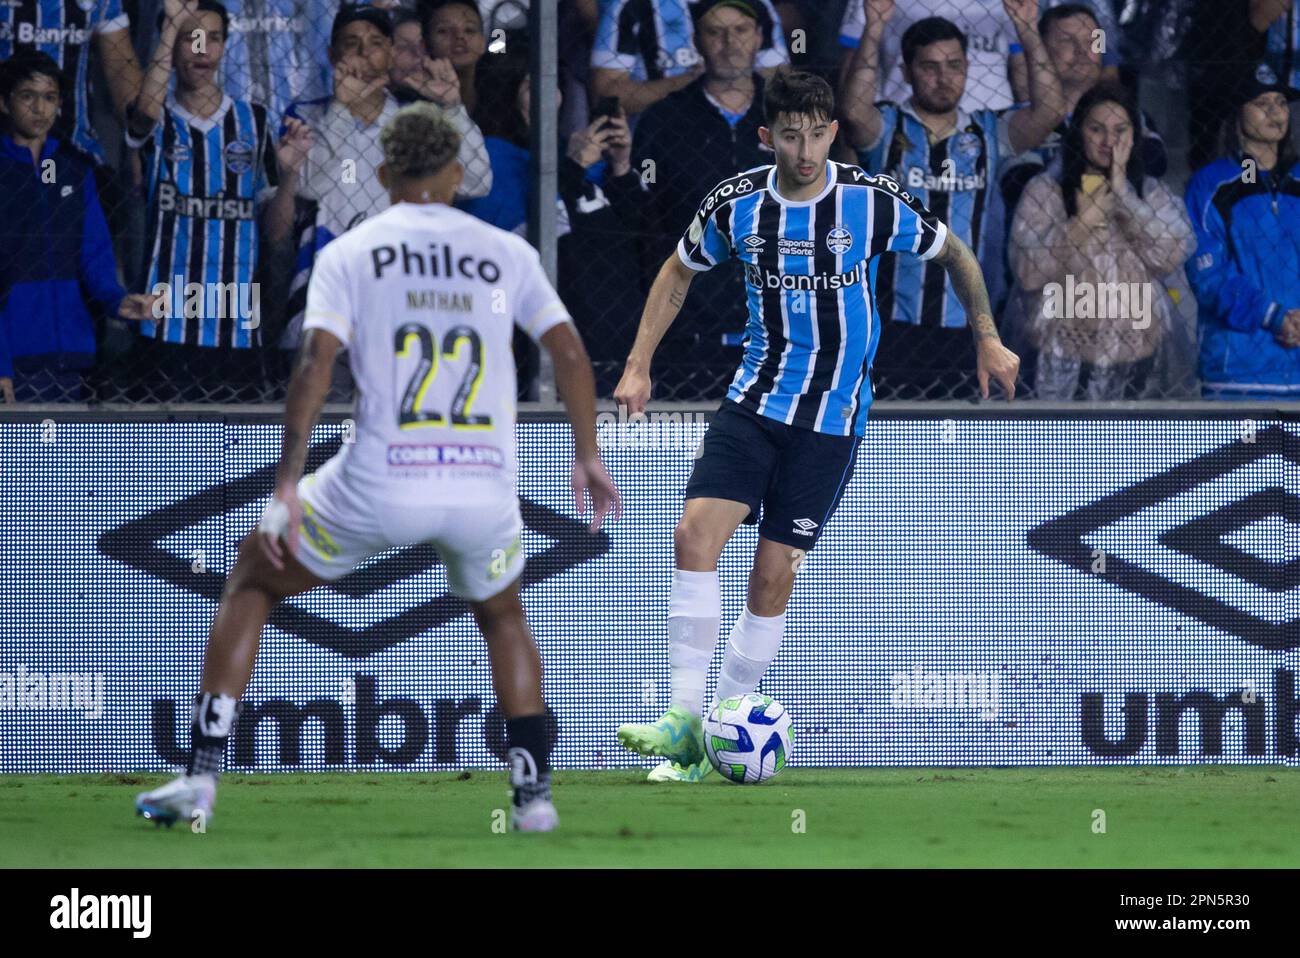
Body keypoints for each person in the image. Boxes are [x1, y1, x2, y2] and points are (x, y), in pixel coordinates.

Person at [134, 101, 621, 832]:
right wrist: (587, 453)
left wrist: (286, 484)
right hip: (481, 485)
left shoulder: (353, 253)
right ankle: (534, 802)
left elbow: (314, 364)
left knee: (252, 575)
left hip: (379, 481)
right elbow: (570, 352)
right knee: (503, 616)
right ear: (458, 174)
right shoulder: (504, 253)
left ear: (386, 172)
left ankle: (200, 779)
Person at [611, 71, 1019, 782]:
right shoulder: (735, 205)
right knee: (692, 534)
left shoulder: (869, 201)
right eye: (791, 135)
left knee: (772, 578)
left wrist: (986, 335)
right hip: (754, 403)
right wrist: (639, 363)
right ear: (767, 135)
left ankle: (722, 730)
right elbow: (677, 272)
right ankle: (680, 718)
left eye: (818, 133)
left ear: (835, 131)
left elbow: (956, 253)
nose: (806, 150)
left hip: (831, 422)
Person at [841, 1, 1063, 399]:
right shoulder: (889, 125)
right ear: (906, 72)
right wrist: (873, 28)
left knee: (956, 440)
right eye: (929, 67)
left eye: (954, 65)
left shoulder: (987, 132)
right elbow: (854, 112)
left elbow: (1049, 111)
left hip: (967, 322)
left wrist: (1027, 29)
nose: (944, 78)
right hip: (889, 321)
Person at [125, 0, 310, 403]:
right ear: (172, 45)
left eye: (212, 38)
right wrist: (169, 25)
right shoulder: (158, 117)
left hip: (236, 321)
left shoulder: (256, 121)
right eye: (188, 37)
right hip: (165, 321)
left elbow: (276, 234)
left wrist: (290, 176)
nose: (201, 49)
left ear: (226, 47)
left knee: (236, 450)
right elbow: (143, 113)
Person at [279, 4, 491, 352]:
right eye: (352, 43)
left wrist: (453, 108)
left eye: (376, 42)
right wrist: (342, 111)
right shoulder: (307, 114)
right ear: (332, 55)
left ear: (391, 53)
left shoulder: (414, 118)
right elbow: (310, 186)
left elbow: (477, 182)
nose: (365, 53)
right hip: (323, 294)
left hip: (398, 294)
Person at [1009, 84, 1194, 399]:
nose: (1109, 141)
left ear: (1135, 136)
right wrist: (1080, 224)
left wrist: (1122, 194)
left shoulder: (1151, 193)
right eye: (1097, 129)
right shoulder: (1044, 191)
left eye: (1120, 130)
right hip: (1060, 360)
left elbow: (1172, 254)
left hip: (1138, 360)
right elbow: (1027, 272)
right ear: (1079, 132)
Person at [632, 0, 775, 398]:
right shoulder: (664, 118)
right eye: (715, 32)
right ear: (696, 41)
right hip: (689, 328)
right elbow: (646, 220)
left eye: (741, 30)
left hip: (779, 326)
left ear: (760, 37)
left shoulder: (786, 116)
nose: (729, 43)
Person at [0, 52, 156, 403]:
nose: (40, 109)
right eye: (28, 96)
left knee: (60, 453)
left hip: (72, 354)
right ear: (5, 103)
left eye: (50, 97)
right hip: (14, 353)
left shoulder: (74, 170)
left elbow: (94, 254)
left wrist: (118, 301)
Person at [1185, 60, 1300, 398]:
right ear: (1238, 113)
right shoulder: (1210, 185)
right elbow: (1208, 276)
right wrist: (1274, 316)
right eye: (1261, 104)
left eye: (1280, 103)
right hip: (1237, 371)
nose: (1274, 112)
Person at [0, 0, 143, 165]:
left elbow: (120, 68)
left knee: (55, 179)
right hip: (7, 143)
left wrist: (139, 139)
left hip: (77, 145)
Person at [590, 0, 789, 118]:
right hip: (658, 142)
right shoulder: (631, 5)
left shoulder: (756, 5)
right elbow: (604, 95)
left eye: (740, 30)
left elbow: (782, 85)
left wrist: (730, 81)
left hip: (746, 135)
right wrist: (696, 81)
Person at [836, 0, 1028, 113]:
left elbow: (1020, 67)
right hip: (902, 122)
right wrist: (850, 140)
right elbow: (852, 66)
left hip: (991, 123)